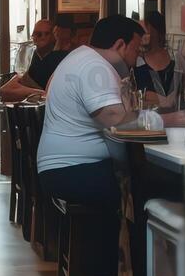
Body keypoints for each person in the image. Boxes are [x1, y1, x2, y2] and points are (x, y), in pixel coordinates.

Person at [36, 14, 148, 209]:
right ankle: (127, 239)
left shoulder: (81, 56)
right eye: (136, 50)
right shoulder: (96, 67)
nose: (138, 58)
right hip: (73, 170)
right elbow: (117, 126)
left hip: (61, 169)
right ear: (121, 45)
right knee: (148, 184)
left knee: (140, 179)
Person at [132, 10, 185, 112]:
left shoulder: (177, 60)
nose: (142, 36)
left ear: (157, 32)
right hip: (146, 123)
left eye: (145, 31)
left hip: (175, 122)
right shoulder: (136, 63)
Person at [0, 19, 68, 101]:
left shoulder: (60, 57)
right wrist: (39, 93)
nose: (39, 38)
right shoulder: (35, 55)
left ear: (54, 35)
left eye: (42, 34)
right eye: (35, 34)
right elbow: (5, 90)